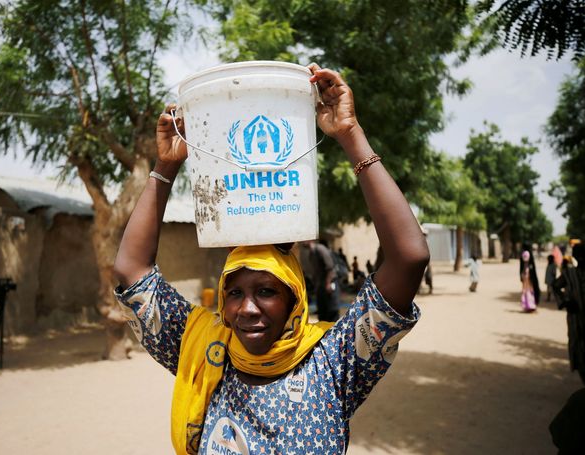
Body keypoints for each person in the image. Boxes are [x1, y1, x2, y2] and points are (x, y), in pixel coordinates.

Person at [112, 64, 429, 454]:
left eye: (265, 290)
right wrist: (166, 166)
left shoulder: (333, 363)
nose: (246, 309)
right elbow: (132, 272)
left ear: (294, 298)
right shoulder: (209, 352)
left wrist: (350, 135)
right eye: (234, 293)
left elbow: (409, 258)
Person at [552, 243, 585, 386]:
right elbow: (555, 286)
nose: (582, 258)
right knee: (580, 348)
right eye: (578, 255)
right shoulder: (570, 274)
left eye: (584, 255)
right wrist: (566, 301)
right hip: (577, 318)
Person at [300, 240, 339, 322]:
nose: (302, 242)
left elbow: (330, 267)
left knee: (332, 311)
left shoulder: (320, 249)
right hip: (321, 286)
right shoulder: (311, 253)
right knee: (322, 312)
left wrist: (328, 284)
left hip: (329, 284)